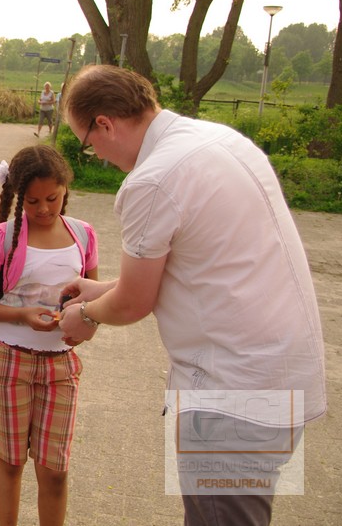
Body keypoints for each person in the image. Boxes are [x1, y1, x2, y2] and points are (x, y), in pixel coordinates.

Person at [57, 64, 327, 526]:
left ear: (105, 124)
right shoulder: (220, 140)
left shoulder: (153, 180)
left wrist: (85, 315)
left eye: (87, 143)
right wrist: (102, 288)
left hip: (232, 394)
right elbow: (199, 267)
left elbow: (133, 303)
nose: (96, 155)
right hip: (280, 378)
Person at [0, 144, 99, 526]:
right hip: (8, 362)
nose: (43, 209)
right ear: (17, 195)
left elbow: (93, 300)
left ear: (65, 189)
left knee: (55, 470)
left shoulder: (84, 235)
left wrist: (85, 326)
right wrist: (22, 314)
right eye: (33, 201)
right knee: (10, 462)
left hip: (61, 367)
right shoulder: (2, 237)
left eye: (52, 198)